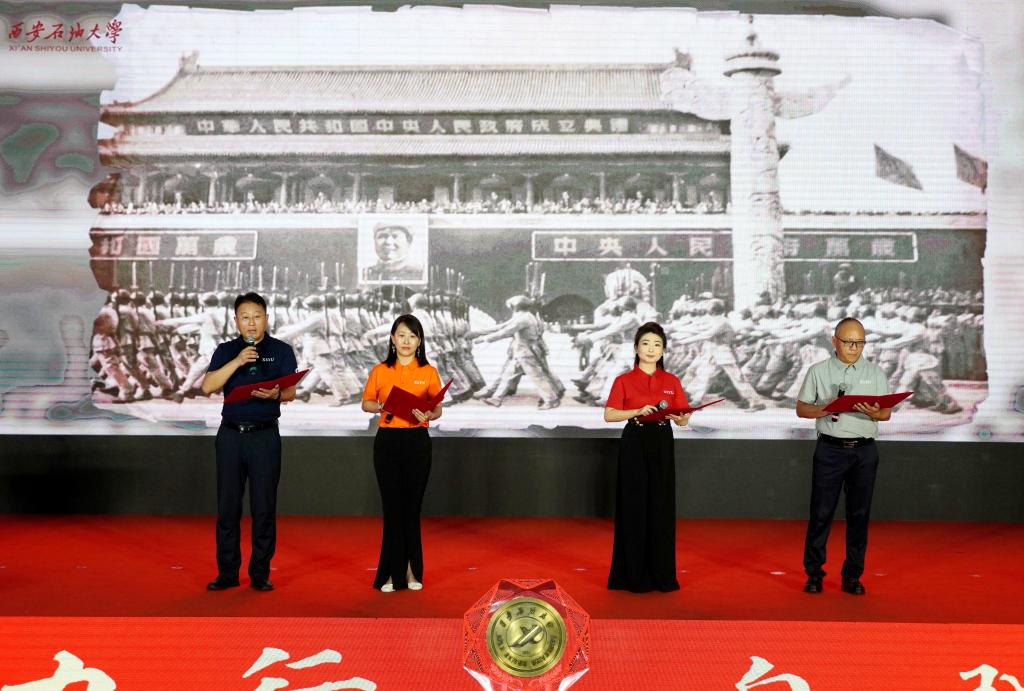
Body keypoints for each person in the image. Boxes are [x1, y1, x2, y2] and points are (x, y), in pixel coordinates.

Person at [202, 292, 298, 592]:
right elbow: (208, 386)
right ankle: (227, 573)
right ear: (236, 321)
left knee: (264, 507)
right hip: (231, 436)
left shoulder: (281, 351)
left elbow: (291, 392)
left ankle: (260, 573)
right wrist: (237, 361)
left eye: (257, 317)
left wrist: (277, 394)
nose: (252, 323)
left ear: (266, 319)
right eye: (245, 318)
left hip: (265, 436)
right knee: (228, 507)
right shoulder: (226, 350)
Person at [796, 317, 892, 596]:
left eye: (860, 342)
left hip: (864, 451)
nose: (854, 348)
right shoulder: (818, 371)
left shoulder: (876, 373)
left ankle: (852, 576)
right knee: (821, 513)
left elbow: (885, 413)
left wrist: (876, 413)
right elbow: (802, 408)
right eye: (849, 342)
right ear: (834, 341)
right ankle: (814, 574)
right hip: (830, 450)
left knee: (859, 515)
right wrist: (826, 408)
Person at [604, 322, 691, 593]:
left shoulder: (671, 380)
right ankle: (631, 575)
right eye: (645, 344)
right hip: (635, 440)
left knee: (661, 505)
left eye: (657, 345)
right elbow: (609, 415)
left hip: (662, 440)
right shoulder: (624, 380)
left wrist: (682, 417)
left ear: (663, 350)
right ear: (636, 348)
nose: (651, 349)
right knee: (634, 504)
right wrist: (637, 410)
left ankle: (661, 574)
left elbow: (683, 419)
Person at [361, 314, 443, 592]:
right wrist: (382, 406)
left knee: (412, 508)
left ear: (419, 341)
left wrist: (429, 413)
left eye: (412, 336)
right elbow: (366, 403)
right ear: (392, 339)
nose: (406, 341)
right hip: (388, 443)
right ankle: (388, 573)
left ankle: (410, 571)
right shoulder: (380, 370)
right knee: (392, 509)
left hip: (417, 442)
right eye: (401, 335)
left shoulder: (428, 371)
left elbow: (437, 408)